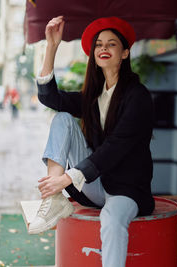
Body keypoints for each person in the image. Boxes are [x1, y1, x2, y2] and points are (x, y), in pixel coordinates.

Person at [29, 16, 155, 267]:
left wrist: (69, 177)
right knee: (63, 118)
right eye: (98, 45)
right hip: (96, 186)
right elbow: (50, 98)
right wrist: (52, 47)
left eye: (111, 44)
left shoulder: (137, 96)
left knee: (111, 218)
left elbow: (115, 146)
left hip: (127, 190)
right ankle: (53, 200)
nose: (103, 49)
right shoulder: (93, 97)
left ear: (125, 53)